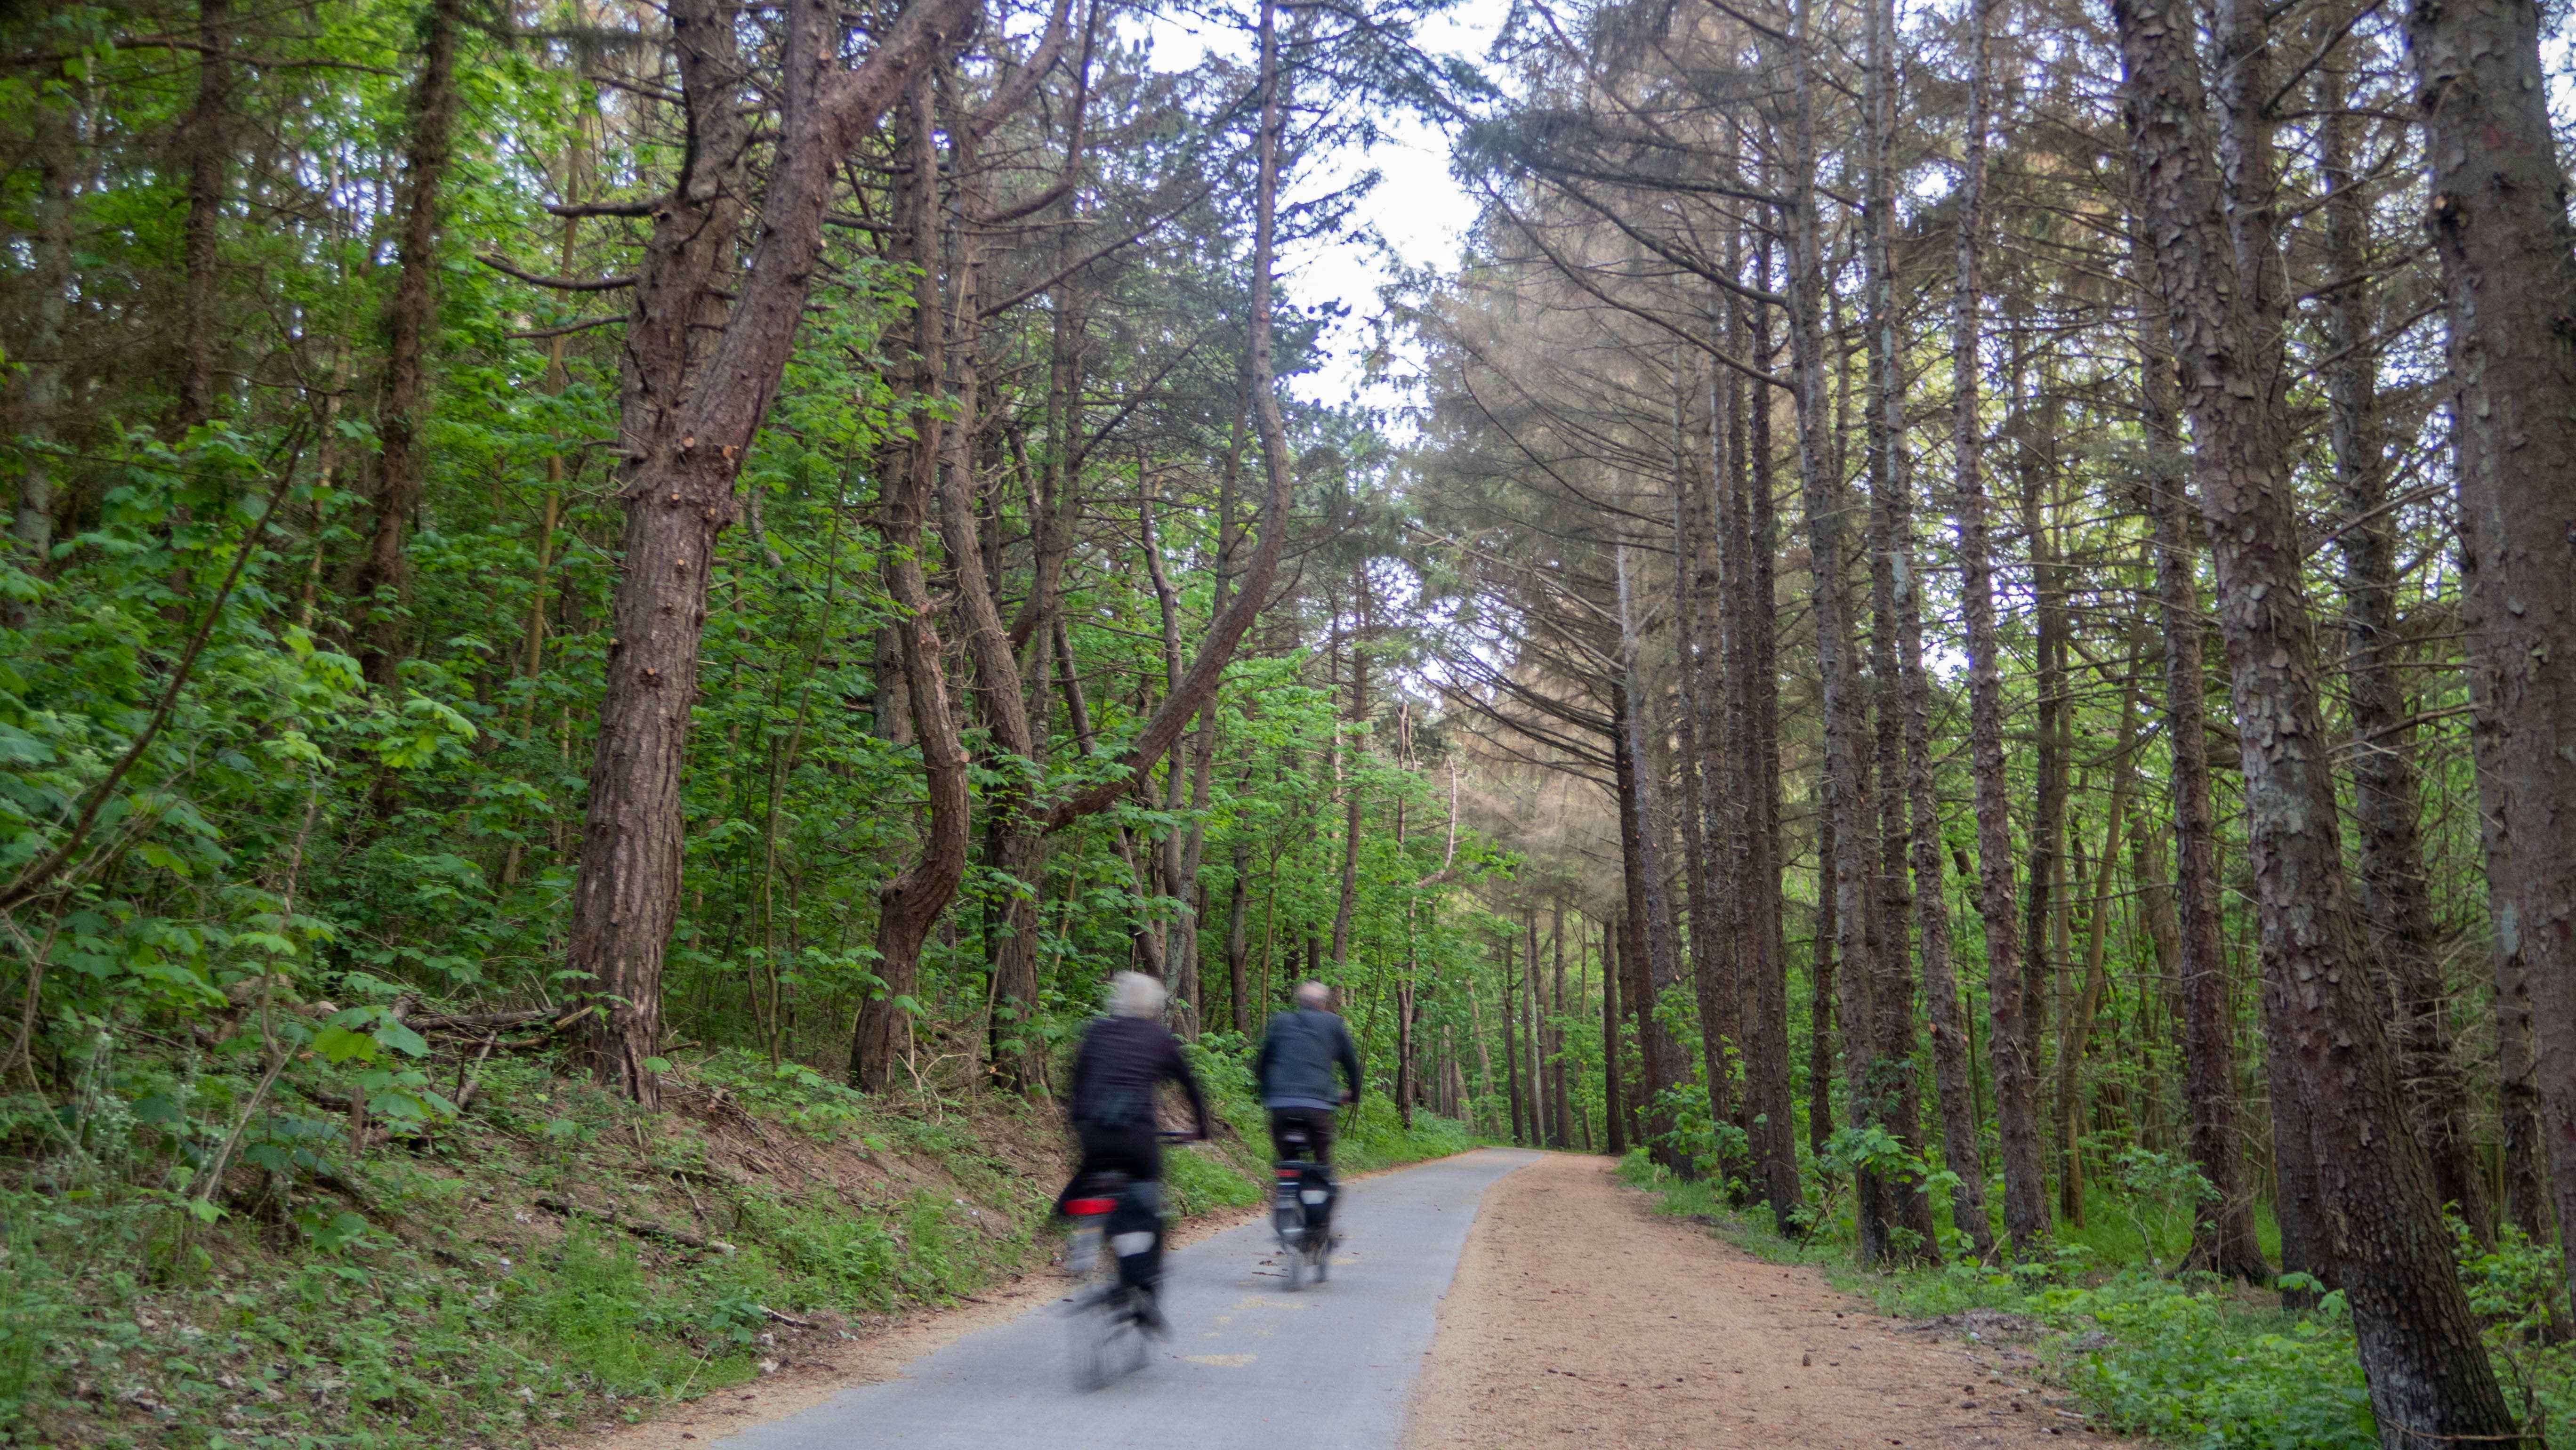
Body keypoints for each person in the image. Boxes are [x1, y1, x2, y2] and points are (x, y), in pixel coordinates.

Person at [1060, 971, 1209, 1331]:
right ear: (1152, 1007)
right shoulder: (1158, 1037)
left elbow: (1075, 1083)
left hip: (1092, 1134)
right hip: (1137, 1139)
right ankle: (1144, 1292)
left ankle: (1085, 1236)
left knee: (1093, 1182)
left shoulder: (1095, 1032)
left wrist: (1079, 1123)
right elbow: (1191, 1085)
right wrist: (1202, 1128)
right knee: (1150, 1207)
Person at [1255, 980, 1362, 1176]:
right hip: (1316, 1104)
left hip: (1280, 1104)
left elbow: (1263, 1062)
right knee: (1322, 1155)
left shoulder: (1281, 1021)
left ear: (1299, 1001)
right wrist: (1353, 1094)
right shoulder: (1332, 1024)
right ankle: (1322, 1179)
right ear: (1322, 1004)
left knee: (1286, 1159)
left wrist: (1265, 1092)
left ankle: (1286, 1182)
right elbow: (1351, 1064)